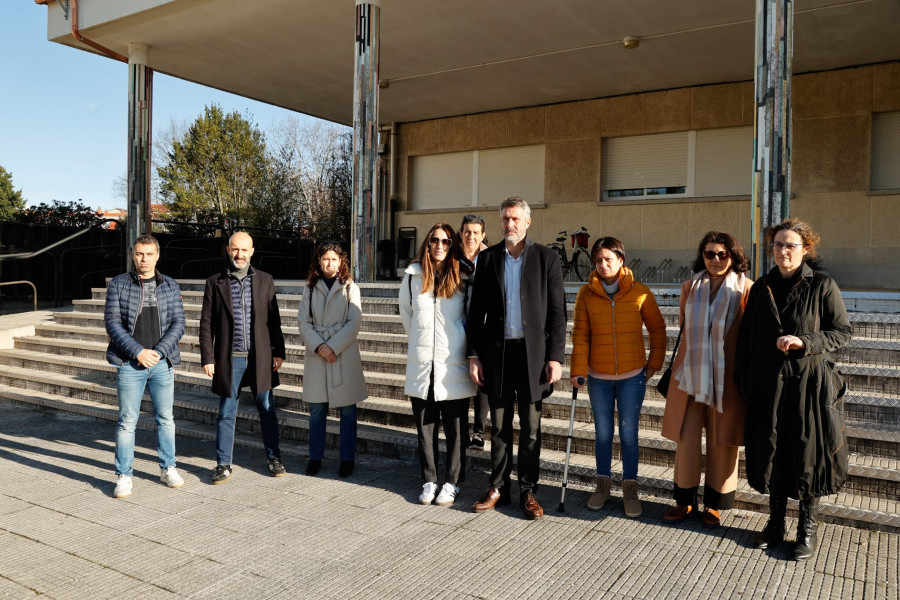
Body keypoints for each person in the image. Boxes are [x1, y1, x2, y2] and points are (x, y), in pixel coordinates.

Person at [737, 218, 851, 561]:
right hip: (770, 386)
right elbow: (746, 339)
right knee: (773, 450)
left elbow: (842, 331)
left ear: (805, 250)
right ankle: (774, 525)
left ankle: (806, 527)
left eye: (791, 245)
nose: (783, 251)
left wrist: (805, 340)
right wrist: (745, 382)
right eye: (778, 245)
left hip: (810, 386)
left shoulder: (823, 286)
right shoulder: (761, 287)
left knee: (807, 453)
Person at [468, 197, 567, 520]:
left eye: (515, 219)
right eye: (505, 219)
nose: (509, 225)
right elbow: (476, 312)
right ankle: (498, 486)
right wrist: (474, 355)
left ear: (527, 222)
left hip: (533, 358)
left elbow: (557, 313)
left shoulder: (546, 258)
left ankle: (528, 490)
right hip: (497, 356)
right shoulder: (488, 259)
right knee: (497, 427)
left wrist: (555, 357)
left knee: (531, 428)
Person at [660, 232, 753, 527]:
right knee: (686, 439)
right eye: (709, 254)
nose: (715, 259)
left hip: (727, 380)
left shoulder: (746, 289)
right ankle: (684, 502)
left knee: (722, 442)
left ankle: (715, 505)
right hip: (691, 375)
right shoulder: (690, 286)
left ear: (733, 256)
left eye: (721, 254)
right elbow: (686, 334)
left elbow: (749, 337)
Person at [570, 236, 666, 518]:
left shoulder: (640, 292)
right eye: (598, 260)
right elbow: (581, 335)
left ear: (621, 260)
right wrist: (577, 371)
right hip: (598, 377)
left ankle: (630, 490)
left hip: (632, 376)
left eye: (608, 259)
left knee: (628, 434)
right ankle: (602, 488)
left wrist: (653, 365)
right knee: (602, 434)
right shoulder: (585, 294)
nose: (602, 265)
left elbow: (658, 331)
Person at [199, 232, 287, 484]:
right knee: (226, 411)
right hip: (230, 358)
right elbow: (206, 324)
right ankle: (223, 463)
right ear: (228, 250)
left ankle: (274, 457)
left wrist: (278, 351)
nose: (240, 255)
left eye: (244, 250)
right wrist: (208, 357)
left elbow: (274, 321)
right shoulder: (214, 282)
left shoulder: (266, 280)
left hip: (261, 357)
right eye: (235, 249)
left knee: (267, 409)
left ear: (252, 251)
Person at [400, 223, 476, 507]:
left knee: (457, 430)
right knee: (425, 427)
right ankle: (430, 480)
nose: (440, 246)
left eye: (446, 241)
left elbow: (469, 316)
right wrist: (422, 342)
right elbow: (406, 314)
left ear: (452, 244)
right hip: (422, 364)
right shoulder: (412, 276)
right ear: (427, 243)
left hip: (452, 362)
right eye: (435, 240)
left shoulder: (463, 275)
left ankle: (452, 482)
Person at [105, 234, 186, 498]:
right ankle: (124, 475)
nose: (144, 259)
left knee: (165, 418)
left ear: (157, 256)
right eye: (139, 253)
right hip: (130, 363)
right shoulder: (118, 284)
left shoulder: (170, 285)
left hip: (163, 363)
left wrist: (159, 352)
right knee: (127, 421)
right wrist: (138, 352)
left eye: (149, 254)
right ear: (133, 254)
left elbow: (178, 324)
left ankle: (168, 468)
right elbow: (113, 324)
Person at [298, 242, 367, 478]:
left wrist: (333, 346)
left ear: (341, 262)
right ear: (319, 261)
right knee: (317, 411)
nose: (330, 263)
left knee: (348, 411)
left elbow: (354, 322)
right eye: (326, 259)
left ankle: (347, 459)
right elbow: (303, 322)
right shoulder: (310, 287)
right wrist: (320, 346)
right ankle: (315, 457)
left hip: (343, 355)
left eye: (334, 259)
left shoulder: (350, 287)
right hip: (318, 356)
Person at [459, 213, 490, 450]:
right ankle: (460, 429)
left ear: (483, 235)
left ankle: (479, 432)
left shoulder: (491, 259)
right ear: (461, 233)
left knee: (482, 380)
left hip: (482, 328)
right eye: (467, 232)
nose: (471, 236)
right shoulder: (451, 259)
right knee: (459, 378)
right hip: (455, 325)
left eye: (475, 232)